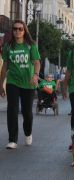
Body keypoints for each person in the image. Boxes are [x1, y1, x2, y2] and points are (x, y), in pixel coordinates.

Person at [0, 19, 40, 149]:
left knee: (27, 112)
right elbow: (5, 66)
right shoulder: (8, 46)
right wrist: (1, 84)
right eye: (15, 29)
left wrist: (35, 75)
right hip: (13, 82)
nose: (17, 31)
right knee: (12, 109)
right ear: (12, 31)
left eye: (20, 29)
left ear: (24, 31)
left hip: (28, 83)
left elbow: (36, 62)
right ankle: (12, 140)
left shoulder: (31, 45)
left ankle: (28, 133)